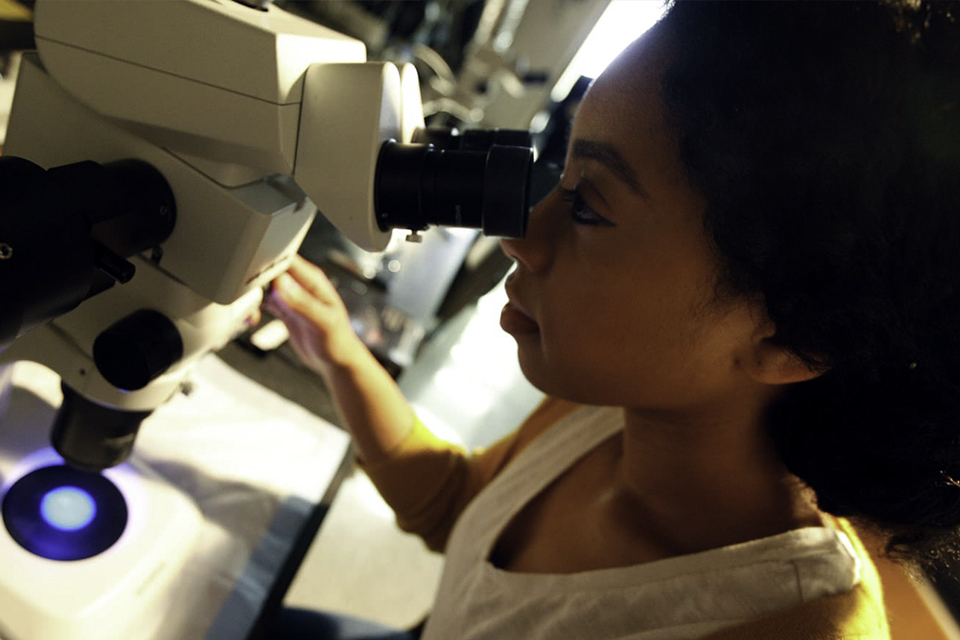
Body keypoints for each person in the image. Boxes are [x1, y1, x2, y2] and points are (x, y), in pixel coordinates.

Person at [265, 1, 960, 638]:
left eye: (590, 206)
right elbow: (464, 510)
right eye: (564, 182)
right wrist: (339, 353)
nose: (521, 236)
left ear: (792, 335)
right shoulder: (608, 406)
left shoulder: (789, 624)